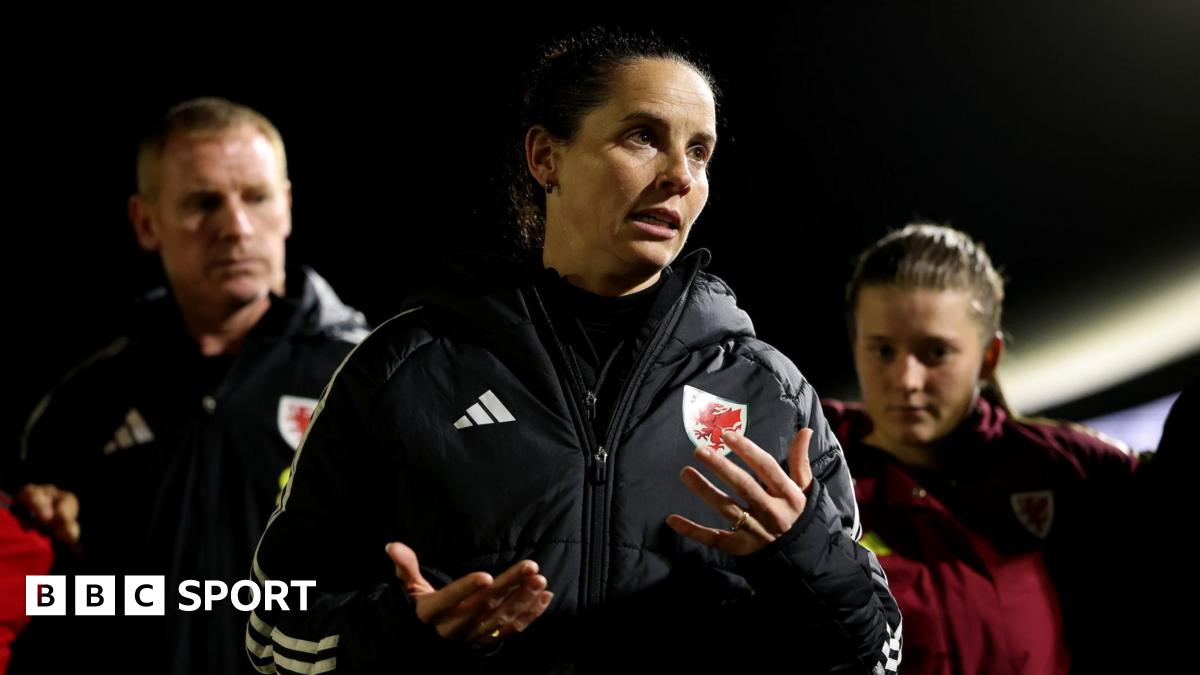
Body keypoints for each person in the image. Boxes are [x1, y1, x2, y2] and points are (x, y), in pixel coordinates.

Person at [247, 29, 901, 674]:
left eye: (699, 151)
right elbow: (271, 630)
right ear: (545, 157)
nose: (680, 175)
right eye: (643, 136)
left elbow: (878, 656)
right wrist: (404, 633)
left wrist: (804, 553)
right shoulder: (406, 369)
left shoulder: (767, 392)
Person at [12, 98, 369, 674]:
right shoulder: (82, 401)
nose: (235, 227)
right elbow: (42, 600)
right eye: (204, 204)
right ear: (146, 223)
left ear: (288, 206)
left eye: (256, 197)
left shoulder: (372, 379)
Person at [823, 223, 1140, 674]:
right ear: (856, 347)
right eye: (883, 351)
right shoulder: (807, 465)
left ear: (988, 358)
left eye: (935, 353)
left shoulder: (1068, 467)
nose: (906, 380)